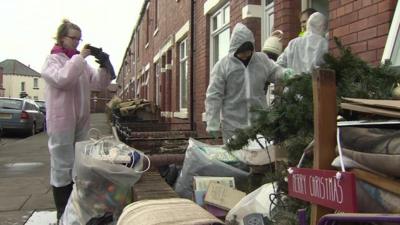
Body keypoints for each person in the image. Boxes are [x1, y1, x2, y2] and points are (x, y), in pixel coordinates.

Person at [41, 19, 113, 222]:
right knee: (62, 166)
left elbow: (98, 83)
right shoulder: (52, 60)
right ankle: (62, 212)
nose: (77, 42)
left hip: (81, 119)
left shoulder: (80, 63)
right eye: (73, 38)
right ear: (61, 37)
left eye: (79, 39)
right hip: (61, 120)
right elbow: (63, 79)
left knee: (80, 165)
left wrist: (105, 66)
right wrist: (80, 58)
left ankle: (78, 210)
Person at [205, 23, 284, 144]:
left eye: (248, 52)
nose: (245, 55)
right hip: (233, 126)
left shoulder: (261, 60)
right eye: (241, 52)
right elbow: (214, 96)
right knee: (238, 159)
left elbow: (275, 71)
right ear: (234, 49)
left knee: (262, 157)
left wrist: (287, 74)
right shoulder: (223, 66)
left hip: (260, 124)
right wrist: (212, 123)